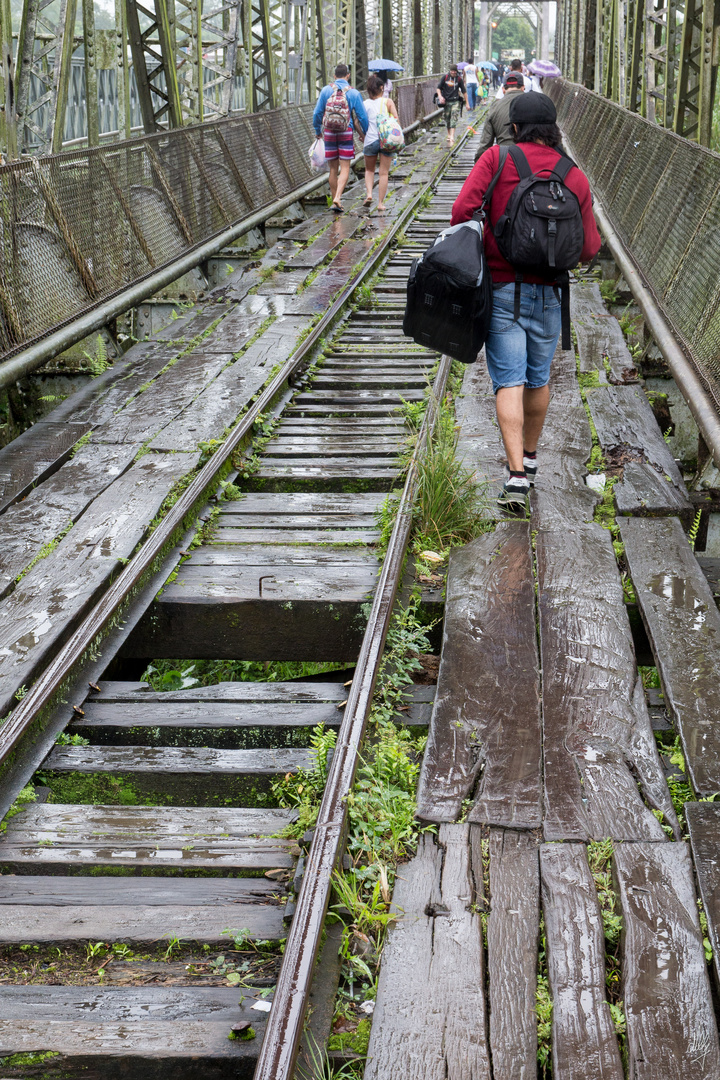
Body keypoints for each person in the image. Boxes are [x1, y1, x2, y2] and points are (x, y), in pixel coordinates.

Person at [450, 93, 601, 511]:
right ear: (555, 129)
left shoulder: (496, 159)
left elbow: (461, 210)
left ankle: (516, 477)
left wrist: (488, 231)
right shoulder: (574, 175)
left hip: (501, 290)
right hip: (551, 295)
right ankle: (531, 461)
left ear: (513, 127)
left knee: (508, 380)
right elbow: (589, 248)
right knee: (538, 378)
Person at [313, 64, 368, 212]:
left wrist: (318, 130)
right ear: (348, 76)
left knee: (333, 169)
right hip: (346, 131)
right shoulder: (353, 93)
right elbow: (362, 117)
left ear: (334, 76)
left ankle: (334, 201)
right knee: (345, 168)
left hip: (329, 132)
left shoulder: (325, 90)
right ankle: (338, 197)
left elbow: (317, 113)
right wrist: (366, 133)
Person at [362, 74, 399, 211]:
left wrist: (362, 135)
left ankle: (369, 194)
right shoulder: (388, 102)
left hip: (370, 140)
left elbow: (356, 122)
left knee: (369, 170)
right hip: (386, 140)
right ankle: (380, 203)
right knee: (383, 173)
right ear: (381, 88)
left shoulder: (364, 104)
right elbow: (396, 120)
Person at [473, 71, 525, 161]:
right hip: (529, 158)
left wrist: (478, 164)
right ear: (523, 88)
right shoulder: (535, 104)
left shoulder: (495, 107)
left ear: (503, 90)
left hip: (504, 158)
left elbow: (485, 143)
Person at [436, 63, 468, 146]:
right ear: (450, 71)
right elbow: (438, 88)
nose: (453, 72)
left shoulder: (459, 79)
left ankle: (452, 136)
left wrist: (467, 103)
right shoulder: (445, 78)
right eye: (452, 71)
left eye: (455, 71)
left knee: (454, 117)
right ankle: (449, 134)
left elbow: (464, 91)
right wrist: (440, 96)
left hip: (455, 101)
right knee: (447, 118)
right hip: (446, 101)